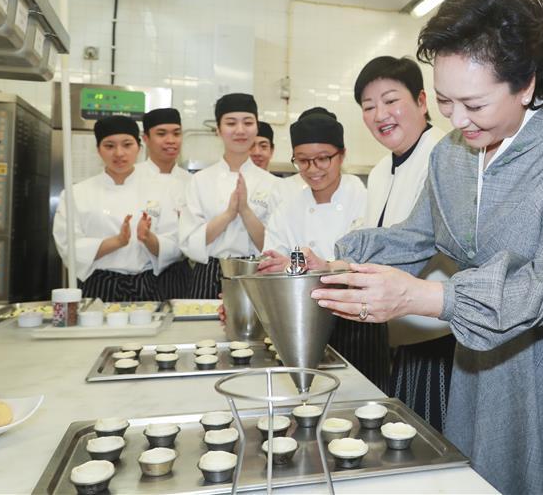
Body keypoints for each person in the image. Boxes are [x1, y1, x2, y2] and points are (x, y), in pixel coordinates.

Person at [309, 0, 543, 494]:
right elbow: (415, 236)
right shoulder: (450, 155)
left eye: (474, 105)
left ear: (526, 86)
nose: (457, 120)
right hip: (485, 355)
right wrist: (328, 263)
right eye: (447, 102)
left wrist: (424, 295)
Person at [354, 55, 455, 430]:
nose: (380, 114)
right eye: (368, 106)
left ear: (422, 101)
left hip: (438, 337)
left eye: (391, 100)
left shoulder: (446, 157)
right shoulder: (381, 170)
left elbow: (420, 246)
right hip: (393, 336)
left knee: (435, 443)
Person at [260, 107, 388, 385]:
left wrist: (294, 266)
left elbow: (365, 263)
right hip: (302, 321)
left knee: (362, 400)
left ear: (342, 155)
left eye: (323, 159)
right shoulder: (287, 209)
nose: (313, 169)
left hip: (359, 321)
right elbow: (272, 265)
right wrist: (288, 266)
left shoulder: (366, 200)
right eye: (303, 161)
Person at [53, 115, 182, 301]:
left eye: (127, 144)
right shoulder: (76, 194)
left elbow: (176, 243)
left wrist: (148, 238)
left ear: (139, 147)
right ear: (98, 150)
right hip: (99, 285)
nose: (119, 153)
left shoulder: (163, 189)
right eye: (109, 146)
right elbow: (68, 246)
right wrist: (117, 241)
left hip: (152, 285)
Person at [179, 93, 279, 299]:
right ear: (218, 130)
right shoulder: (199, 181)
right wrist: (228, 214)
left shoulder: (274, 184)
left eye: (248, 122)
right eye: (231, 123)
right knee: (203, 331)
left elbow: (274, 245)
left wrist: (245, 211)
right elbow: (189, 240)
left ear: (257, 127)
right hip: (208, 273)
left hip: (256, 273)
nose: (240, 130)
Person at [140, 107, 193, 298]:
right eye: (161, 134)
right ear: (145, 138)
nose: (171, 140)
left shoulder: (191, 183)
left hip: (177, 275)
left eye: (176, 133)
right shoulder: (133, 178)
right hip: (137, 276)